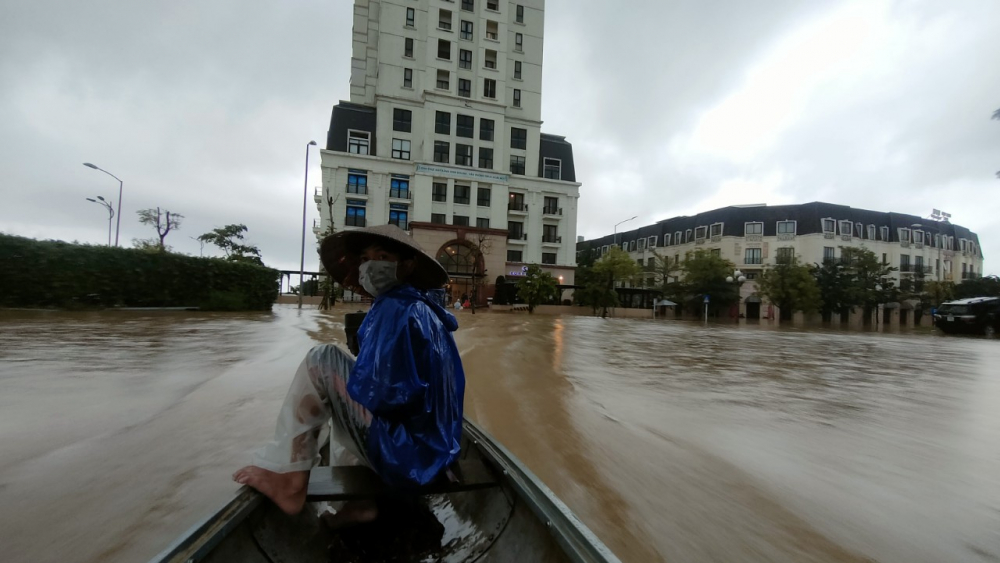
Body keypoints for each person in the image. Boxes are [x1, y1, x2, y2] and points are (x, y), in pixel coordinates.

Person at [233, 224, 466, 525]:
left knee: (323, 359)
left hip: (410, 457)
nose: (371, 265)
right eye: (366, 258)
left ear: (406, 265)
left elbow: (385, 398)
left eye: (382, 255)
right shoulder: (425, 310)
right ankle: (361, 501)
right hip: (438, 450)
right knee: (349, 386)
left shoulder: (394, 307)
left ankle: (289, 480)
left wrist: (357, 375)